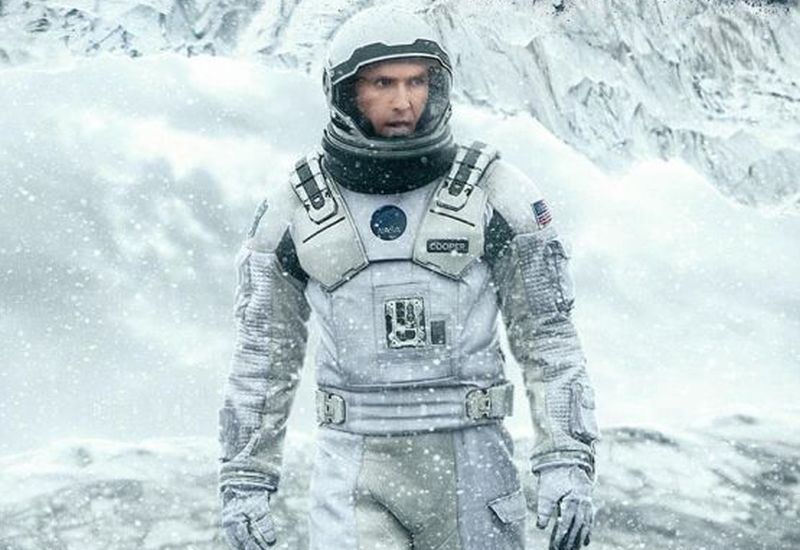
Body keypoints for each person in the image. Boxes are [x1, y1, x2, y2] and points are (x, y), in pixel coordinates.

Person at [217, 6, 600, 550]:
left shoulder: (498, 193)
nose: (403, 101)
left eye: (417, 82)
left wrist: (566, 458)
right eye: (383, 83)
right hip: (353, 468)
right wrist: (244, 479)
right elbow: (263, 355)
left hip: (472, 463)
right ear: (346, 93)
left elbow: (549, 339)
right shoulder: (293, 210)